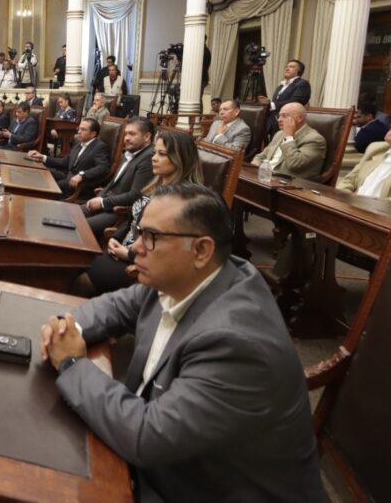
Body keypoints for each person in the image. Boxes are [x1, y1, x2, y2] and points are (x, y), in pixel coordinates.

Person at [40, 183, 323, 502]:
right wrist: (69, 327)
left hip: (201, 487)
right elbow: (116, 306)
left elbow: (147, 436)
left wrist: (73, 363)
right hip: (168, 460)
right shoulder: (184, 275)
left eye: (151, 237)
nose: (136, 248)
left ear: (201, 250)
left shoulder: (237, 342)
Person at [80, 129, 204, 296]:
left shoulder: (181, 199)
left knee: (81, 276)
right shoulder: (154, 185)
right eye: (154, 152)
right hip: (124, 250)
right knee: (76, 262)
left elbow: (167, 249)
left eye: (162, 154)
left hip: (142, 266)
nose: (153, 158)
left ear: (179, 160)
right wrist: (116, 237)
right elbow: (132, 219)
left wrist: (129, 254)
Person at [83, 117, 155, 237]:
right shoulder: (129, 152)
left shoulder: (148, 158)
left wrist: (103, 202)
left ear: (147, 137)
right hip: (107, 203)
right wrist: (100, 197)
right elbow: (112, 184)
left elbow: (135, 195)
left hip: (119, 212)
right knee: (71, 214)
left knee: (79, 225)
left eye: (132, 134)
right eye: (126, 133)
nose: (126, 138)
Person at [27, 118, 111, 199]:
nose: (79, 132)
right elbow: (65, 162)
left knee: (49, 186)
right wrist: (43, 157)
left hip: (82, 185)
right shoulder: (79, 144)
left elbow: (103, 168)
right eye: (79, 129)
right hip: (68, 177)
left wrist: (82, 175)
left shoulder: (100, 147)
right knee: (43, 172)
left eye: (83, 130)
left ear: (93, 134)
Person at [251, 103, 326, 181]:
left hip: (289, 185)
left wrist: (288, 137)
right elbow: (261, 156)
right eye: (279, 116)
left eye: (284, 116)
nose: (279, 119)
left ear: (300, 118)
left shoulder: (315, 139)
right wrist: (253, 171)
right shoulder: (279, 134)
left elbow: (294, 164)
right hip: (264, 179)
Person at [261, 59, 311, 136]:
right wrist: (268, 102)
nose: (287, 69)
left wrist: (272, 104)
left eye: (291, 67)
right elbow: (277, 101)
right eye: (287, 67)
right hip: (273, 119)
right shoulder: (282, 85)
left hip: (288, 121)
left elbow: (295, 102)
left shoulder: (302, 84)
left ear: (299, 71)